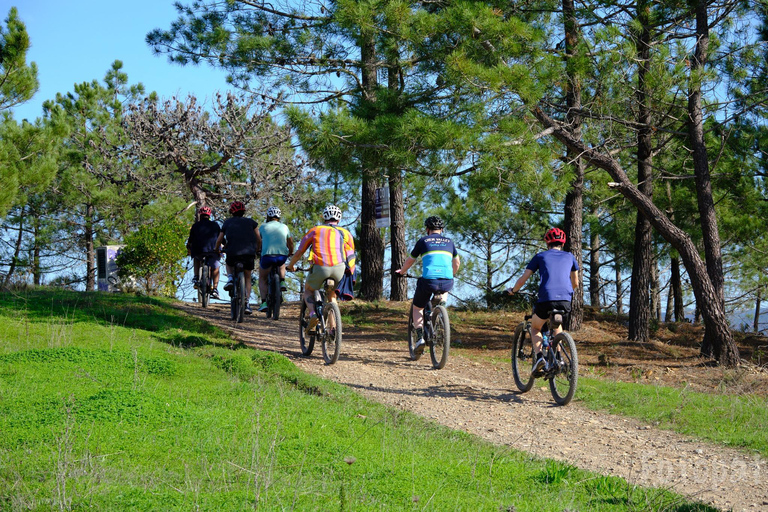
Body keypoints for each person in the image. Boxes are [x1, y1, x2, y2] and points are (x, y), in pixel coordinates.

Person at [506, 227, 580, 373]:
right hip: (565, 299)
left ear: (547, 243)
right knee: (557, 324)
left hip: (546, 297)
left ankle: (540, 357)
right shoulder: (570, 256)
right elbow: (576, 283)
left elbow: (523, 280)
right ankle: (559, 358)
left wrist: (513, 291)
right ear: (562, 244)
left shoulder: (540, 256)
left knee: (535, 327)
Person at [395, 216, 460, 356]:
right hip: (446, 281)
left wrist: (401, 272)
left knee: (418, 307)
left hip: (429, 281)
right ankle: (441, 304)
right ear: (442, 230)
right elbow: (457, 263)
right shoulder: (450, 242)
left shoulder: (423, 241)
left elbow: (410, 261)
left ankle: (419, 338)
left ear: (427, 229)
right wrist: (451, 274)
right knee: (446, 285)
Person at [286, 204, 355, 334]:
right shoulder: (346, 233)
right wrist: (350, 273)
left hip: (320, 267)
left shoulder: (315, 230)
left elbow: (300, 252)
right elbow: (351, 255)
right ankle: (333, 329)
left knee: (308, 290)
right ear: (339, 220)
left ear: (324, 217)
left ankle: (312, 313)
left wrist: (290, 266)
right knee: (332, 296)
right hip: (339, 269)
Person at [215, 201, 262, 315]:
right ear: (243, 211)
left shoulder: (227, 223)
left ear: (231, 212)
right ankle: (246, 302)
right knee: (248, 277)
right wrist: (257, 249)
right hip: (249, 253)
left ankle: (230, 278)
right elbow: (259, 239)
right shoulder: (251, 222)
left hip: (232, 252)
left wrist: (217, 249)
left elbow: (219, 239)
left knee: (229, 263)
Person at [257, 206, 295, 312]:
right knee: (281, 263)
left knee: (263, 278)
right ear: (279, 217)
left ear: (268, 216)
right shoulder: (284, 227)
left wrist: (257, 250)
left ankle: (264, 302)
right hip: (281, 256)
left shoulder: (263, 227)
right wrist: (291, 252)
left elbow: (258, 240)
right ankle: (282, 281)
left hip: (267, 256)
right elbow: (290, 242)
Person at [187, 206, 221, 300]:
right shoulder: (215, 225)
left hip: (198, 250)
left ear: (200, 215)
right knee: (216, 267)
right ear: (209, 215)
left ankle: (196, 276)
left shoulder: (195, 225)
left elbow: (190, 239)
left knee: (196, 259)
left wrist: (188, 247)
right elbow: (221, 238)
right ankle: (215, 288)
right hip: (212, 251)